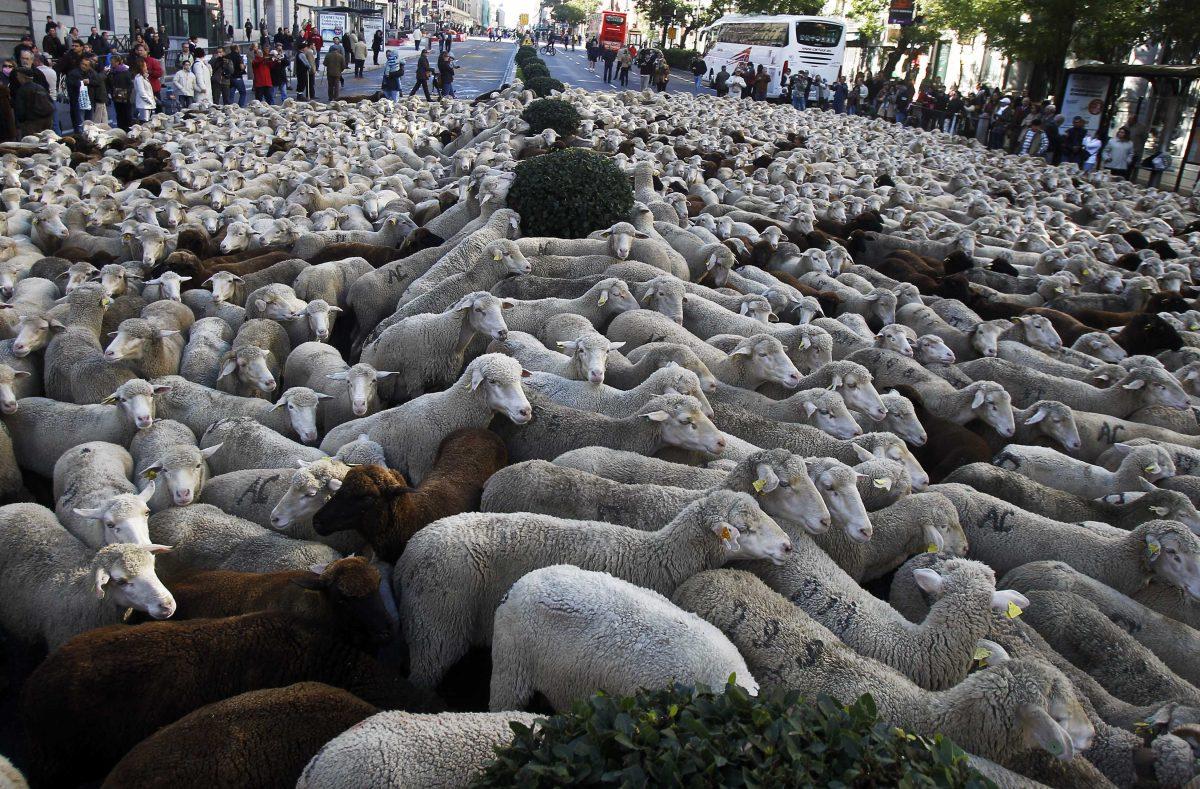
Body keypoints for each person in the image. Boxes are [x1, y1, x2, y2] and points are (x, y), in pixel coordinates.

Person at [12, 67, 54, 136]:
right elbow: (50, 102)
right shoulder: (40, 87)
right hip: (47, 121)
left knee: (32, 143)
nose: (17, 77)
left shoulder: (22, 90)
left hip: (31, 124)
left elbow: (20, 110)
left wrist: (20, 122)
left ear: (23, 77)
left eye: (18, 75)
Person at [65, 55, 92, 131]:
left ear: (89, 67)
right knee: (80, 123)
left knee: (88, 123)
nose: (83, 66)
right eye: (82, 64)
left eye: (86, 65)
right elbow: (70, 83)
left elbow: (96, 80)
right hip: (78, 101)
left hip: (87, 101)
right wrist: (81, 82)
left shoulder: (90, 73)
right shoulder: (73, 73)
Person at [86, 55, 108, 125]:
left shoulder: (93, 71)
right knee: (100, 117)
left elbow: (97, 80)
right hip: (99, 96)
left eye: (95, 61)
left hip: (99, 96)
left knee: (100, 117)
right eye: (93, 60)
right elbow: (98, 79)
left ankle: (103, 130)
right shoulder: (93, 71)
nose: (94, 62)